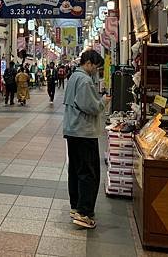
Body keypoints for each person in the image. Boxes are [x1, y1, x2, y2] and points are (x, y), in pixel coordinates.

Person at [62, 49, 104, 229]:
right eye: (96, 66)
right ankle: (84, 213)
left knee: (75, 170)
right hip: (84, 131)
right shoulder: (85, 80)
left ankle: (76, 206)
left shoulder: (73, 77)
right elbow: (91, 106)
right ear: (88, 63)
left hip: (72, 130)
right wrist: (104, 102)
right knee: (88, 172)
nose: (96, 70)